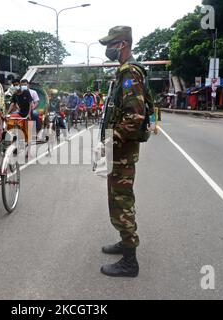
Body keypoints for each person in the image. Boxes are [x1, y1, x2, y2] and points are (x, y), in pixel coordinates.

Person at [99, 26, 150, 278]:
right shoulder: (123, 72)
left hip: (122, 148)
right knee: (117, 197)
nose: (108, 49)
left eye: (111, 43)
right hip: (119, 149)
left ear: (123, 44)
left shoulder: (130, 72)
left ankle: (130, 261)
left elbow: (135, 116)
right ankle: (124, 241)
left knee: (122, 200)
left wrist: (112, 140)